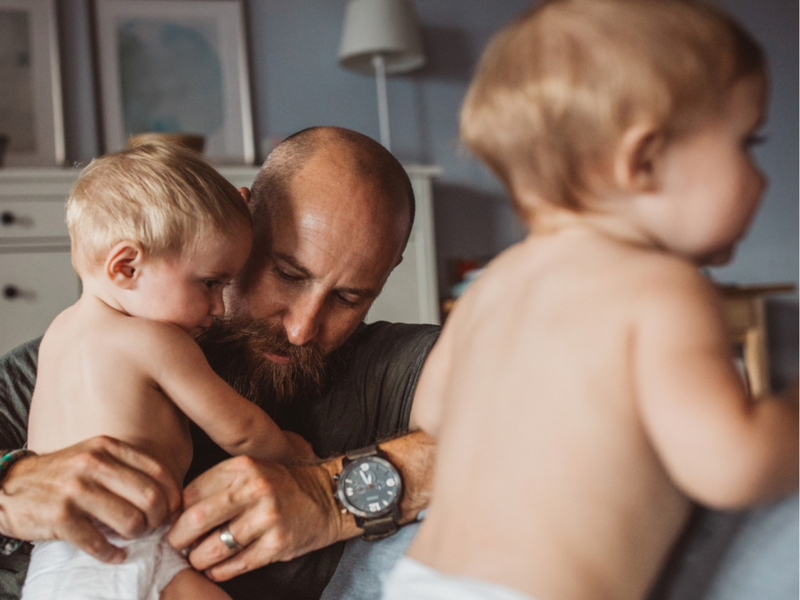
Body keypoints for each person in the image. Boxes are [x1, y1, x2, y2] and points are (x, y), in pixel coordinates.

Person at [382, 1, 799, 599]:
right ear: (644, 159)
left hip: (417, 583)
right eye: (747, 142)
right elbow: (734, 467)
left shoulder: (493, 285)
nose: (761, 178)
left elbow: (431, 415)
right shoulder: (663, 286)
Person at [0, 127, 440, 600]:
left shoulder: (387, 366)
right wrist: (9, 484)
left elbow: (525, 421)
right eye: (287, 274)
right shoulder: (45, 369)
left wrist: (332, 496)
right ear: (240, 218)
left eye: (349, 297)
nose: (301, 329)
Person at [21, 143, 313, 600]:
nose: (219, 307)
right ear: (126, 266)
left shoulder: (57, 335)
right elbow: (240, 431)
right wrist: (300, 458)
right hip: (127, 547)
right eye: (210, 283)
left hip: (54, 563)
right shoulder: (157, 341)